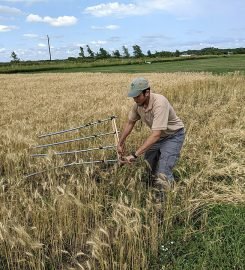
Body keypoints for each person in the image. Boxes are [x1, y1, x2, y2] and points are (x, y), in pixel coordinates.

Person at [117, 77, 185, 199]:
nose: (134, 99)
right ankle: (152, 186)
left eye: (137, 96)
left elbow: (156, 134)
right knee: (149, 163)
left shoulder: (160, 103)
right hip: (159, 137)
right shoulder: (138, 105)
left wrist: (134, 155)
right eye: (133, 96)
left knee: (163, 171)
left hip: (173, 136)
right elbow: (130, 123)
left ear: (147, 92)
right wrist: (120, 143)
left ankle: (166, 200)